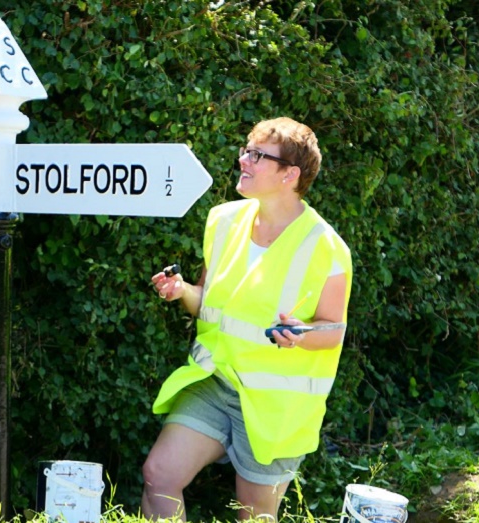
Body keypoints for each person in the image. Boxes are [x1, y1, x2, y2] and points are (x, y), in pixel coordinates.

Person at [142, 117, 352, 522]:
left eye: (258, 155)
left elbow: (334, 329)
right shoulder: (223, 220)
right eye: (246, 150)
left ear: (290, 174)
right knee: (158, 476)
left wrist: (302, 335)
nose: (244, 159)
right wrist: (181, 290)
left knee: (253, 515)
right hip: (215, 383)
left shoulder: (326, 246)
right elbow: (207, 300)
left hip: (275, 407)